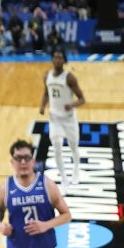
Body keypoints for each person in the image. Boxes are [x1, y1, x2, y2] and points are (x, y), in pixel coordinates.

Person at [39, 49, 85, 188]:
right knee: (57, 147)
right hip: (55, 118)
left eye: (60, 58)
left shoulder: (70, 77)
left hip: (69, 118)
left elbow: (82, 99)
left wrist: (72, 104)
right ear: (52, 59)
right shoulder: (47, 75)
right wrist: (42, 105)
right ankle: (64, 179)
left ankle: (76, 171)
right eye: (55, 57)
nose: (58, 60)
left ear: (64, 60)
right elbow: (46, 93)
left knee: (73, 146)